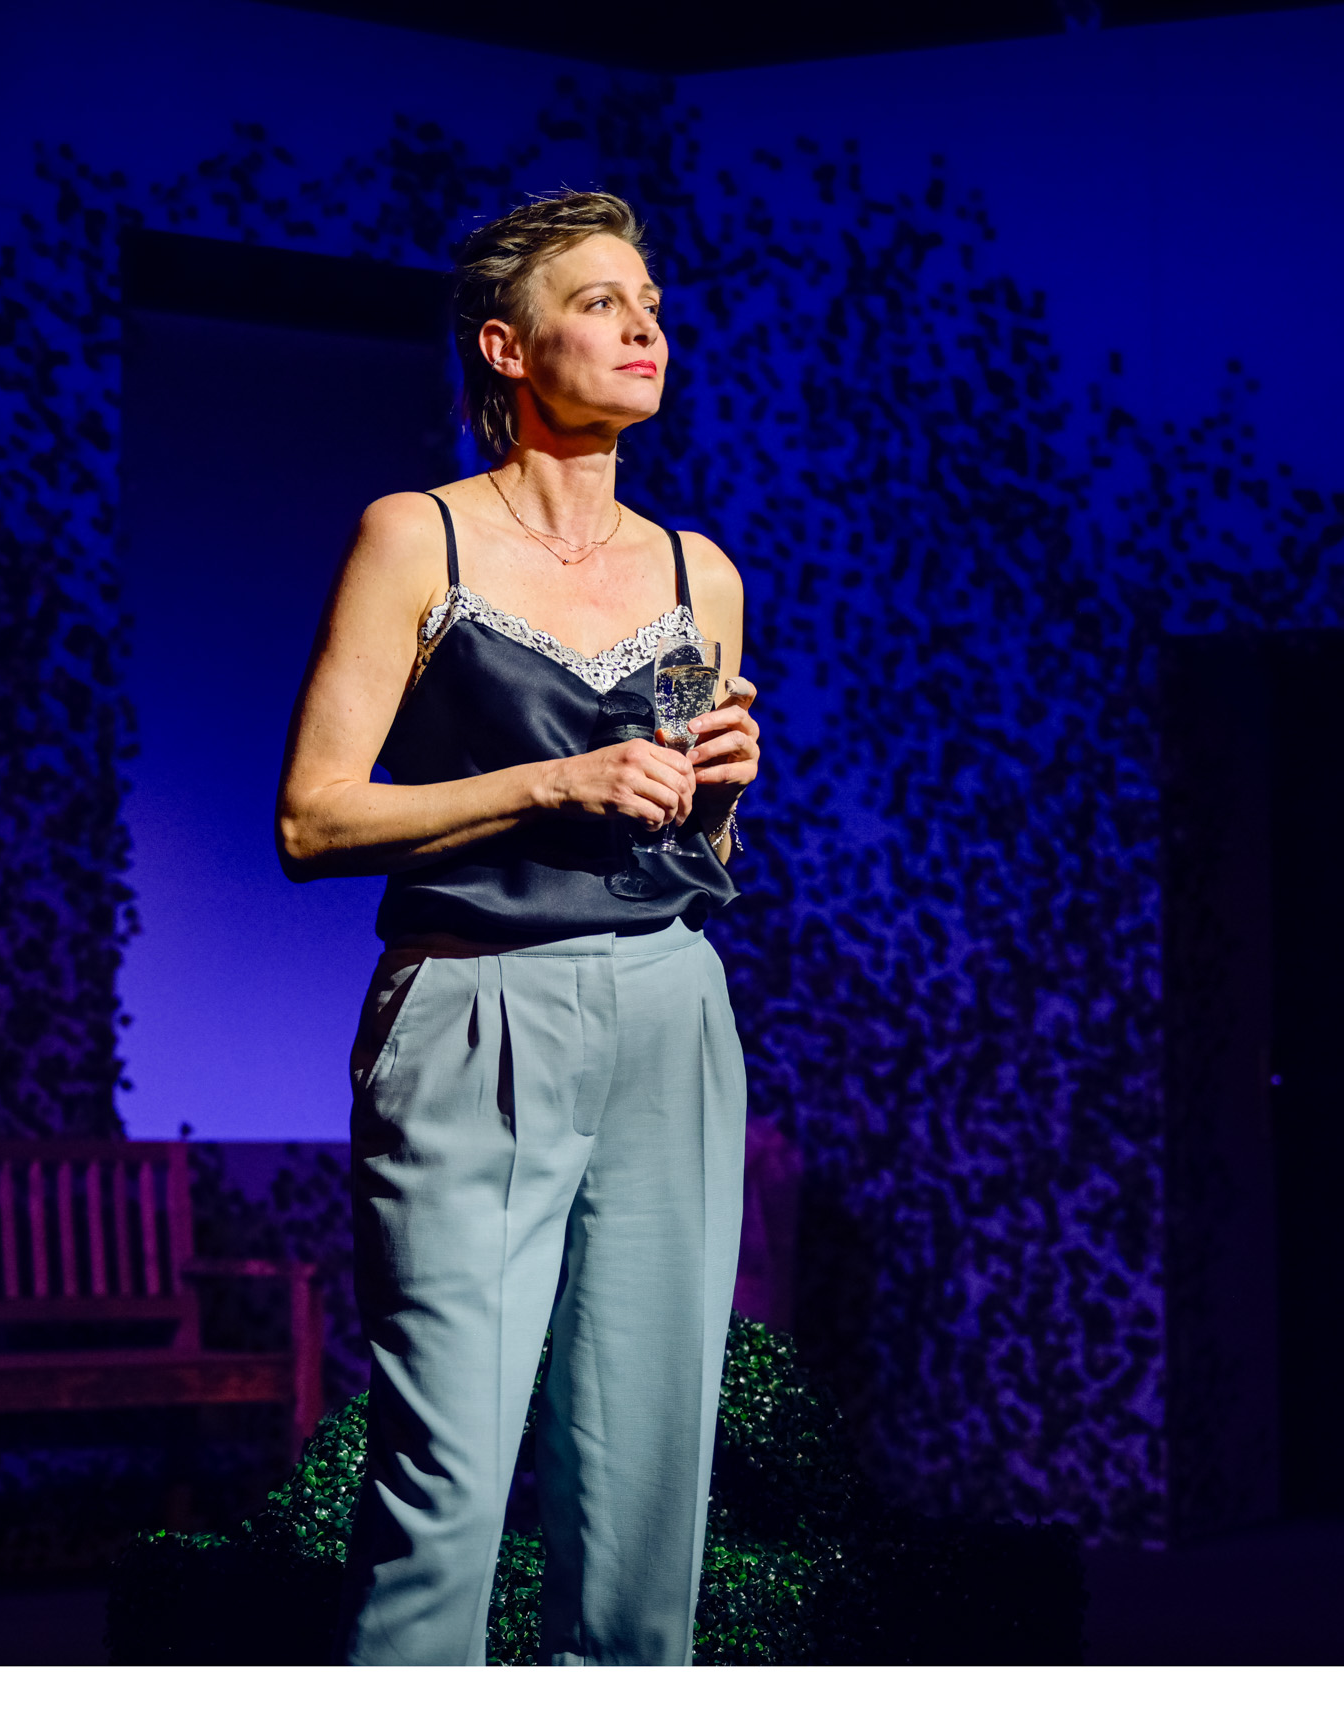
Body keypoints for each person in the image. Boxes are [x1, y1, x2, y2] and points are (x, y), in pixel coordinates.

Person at [276, 189, 762, 1665]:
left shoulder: (698, 573)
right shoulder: (415, 538)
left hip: (669, 1006)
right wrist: (555, 779)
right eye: (601, 303)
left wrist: (719, 797)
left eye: (652, 306)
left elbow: (690, 844)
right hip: (474, 1006)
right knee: (446, 1482)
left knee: (648, 1487)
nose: (644, 329)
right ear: (506, 347)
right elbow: (312, 821)